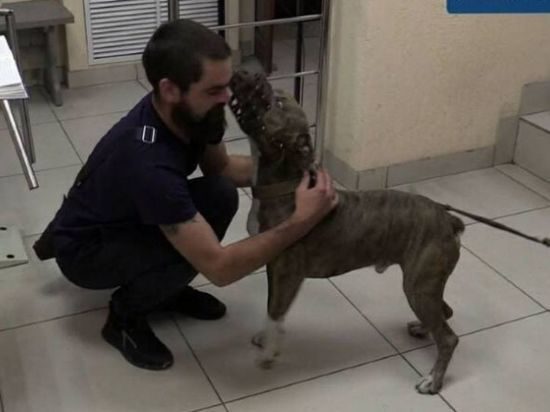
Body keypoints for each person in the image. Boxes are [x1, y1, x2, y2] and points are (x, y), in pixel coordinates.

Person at [37, 19, 338, 371]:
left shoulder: (192, 112)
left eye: (226, 85)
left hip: (130, 218)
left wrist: (292, 174)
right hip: (86, 252)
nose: (226, 98)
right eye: (214, 90)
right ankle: (124, 318)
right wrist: (302, 221)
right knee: (191, 245)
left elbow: (222, 169)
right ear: (170, 89)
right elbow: (220, 268)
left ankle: (167, 288)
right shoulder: (149, 165)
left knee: (220, 194)